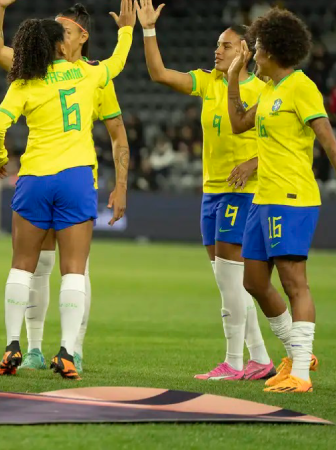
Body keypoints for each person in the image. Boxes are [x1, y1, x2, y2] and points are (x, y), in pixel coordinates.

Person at [0, 0, 135, 380]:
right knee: (74, 271)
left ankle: (12, 344)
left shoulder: (26, 78)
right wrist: (129, 30)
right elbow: (117, 63)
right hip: (76, 178)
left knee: (22, 265)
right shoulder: (90, 76)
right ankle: (67, 352)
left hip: (35, 176)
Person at [136, 0, 275, 381]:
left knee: (233, 281)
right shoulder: (209, 81)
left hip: (245, 192)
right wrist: (148, 30)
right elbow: (160, 73)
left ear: (245, 51)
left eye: (226, 46)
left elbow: (283, 142)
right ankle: (260, 359)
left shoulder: (262, 89)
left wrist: (253, 163)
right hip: (211, 192)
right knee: (227, 282)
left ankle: (233, 363)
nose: (217, 51)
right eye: (217, 45)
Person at [227, 8, 336, 393]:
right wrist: (231, 78)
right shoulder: (271, 89)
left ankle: (301, 374)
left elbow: (326, 137)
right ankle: (297, 353)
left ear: (273, 51)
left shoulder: (300, 87)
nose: (253, 53)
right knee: (254, 281)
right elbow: (239, 123)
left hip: (292, 197)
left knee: (294, 283)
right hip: (264, 198)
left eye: (257, 47)